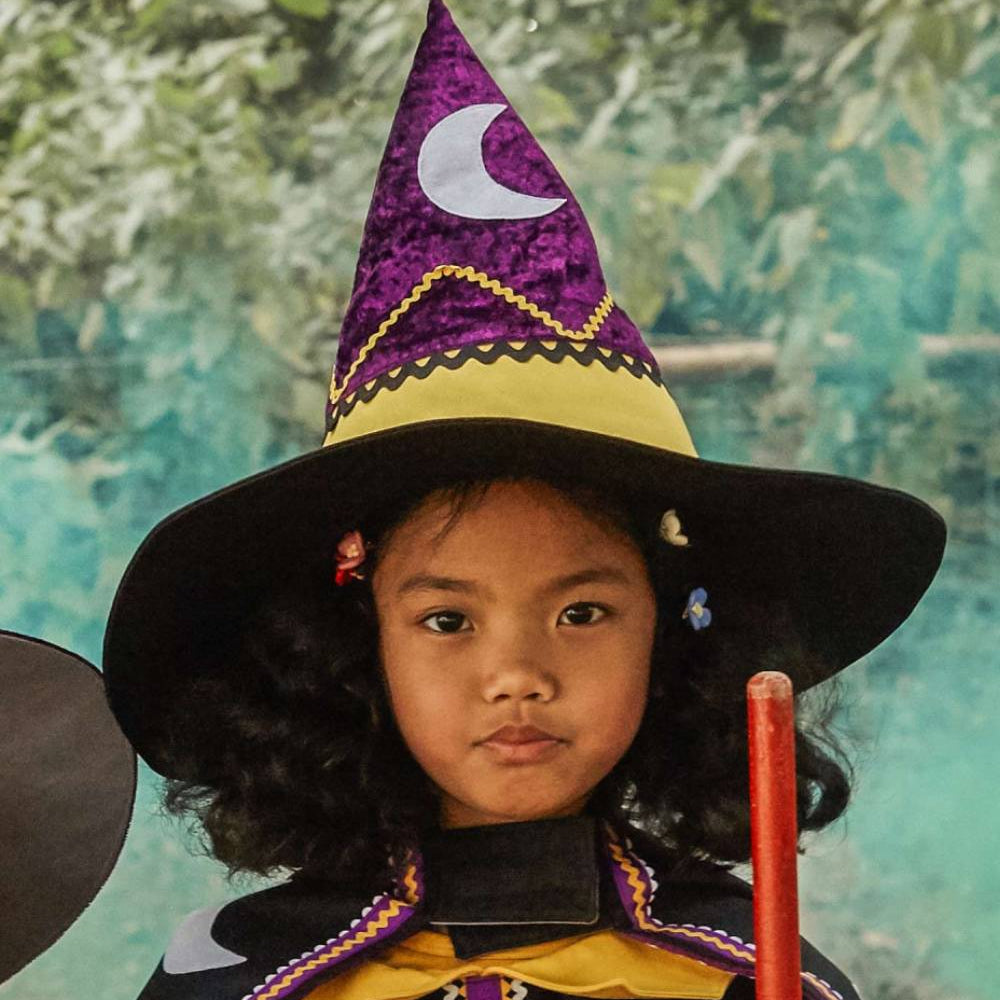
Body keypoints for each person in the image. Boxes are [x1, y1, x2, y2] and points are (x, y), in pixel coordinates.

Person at [100, 2, 946, 998]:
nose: (515, 677)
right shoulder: (232, 976)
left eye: (581, 612)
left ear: (675, 631)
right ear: (357, 640)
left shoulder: (753, 976)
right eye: (446, 619)